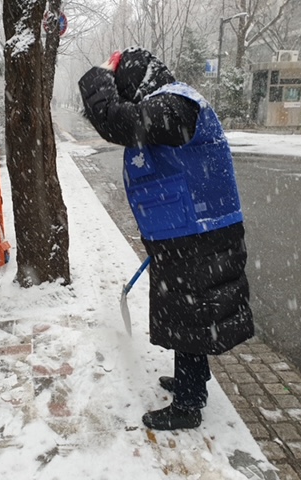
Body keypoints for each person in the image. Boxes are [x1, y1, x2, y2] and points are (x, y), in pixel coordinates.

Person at [79, 47, 254, 430]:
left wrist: (98, 83)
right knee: (186, 311)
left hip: (199, 234)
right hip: (187, 233)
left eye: (124, 92)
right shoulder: (169, 103)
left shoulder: (177, 103)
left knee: (188, 311)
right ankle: (194, 378)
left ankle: (189, 405)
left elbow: (124, 124)